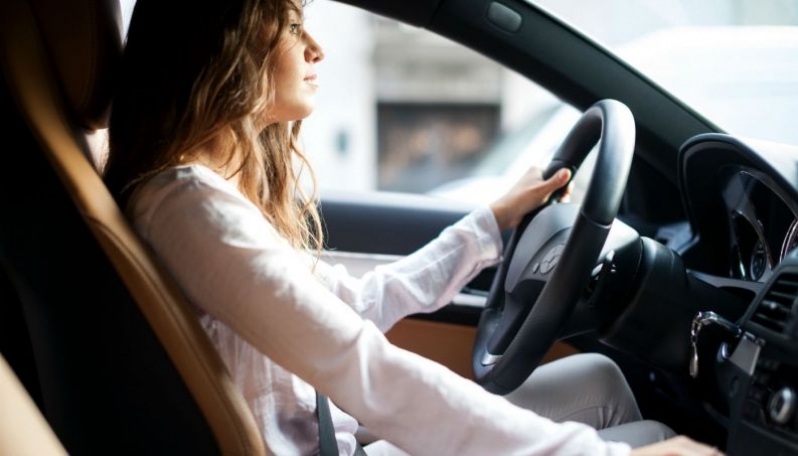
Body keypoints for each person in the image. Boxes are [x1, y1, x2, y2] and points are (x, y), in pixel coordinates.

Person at [103, 0, 724, 455]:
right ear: (224, 42)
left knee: (600, 378)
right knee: (653, 440)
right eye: (293, 25)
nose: (316, 47)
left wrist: (490, 224)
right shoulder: (190, 206)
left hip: (333, 441)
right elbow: (359, 365)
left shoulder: (206, 197)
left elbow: (353, 307)